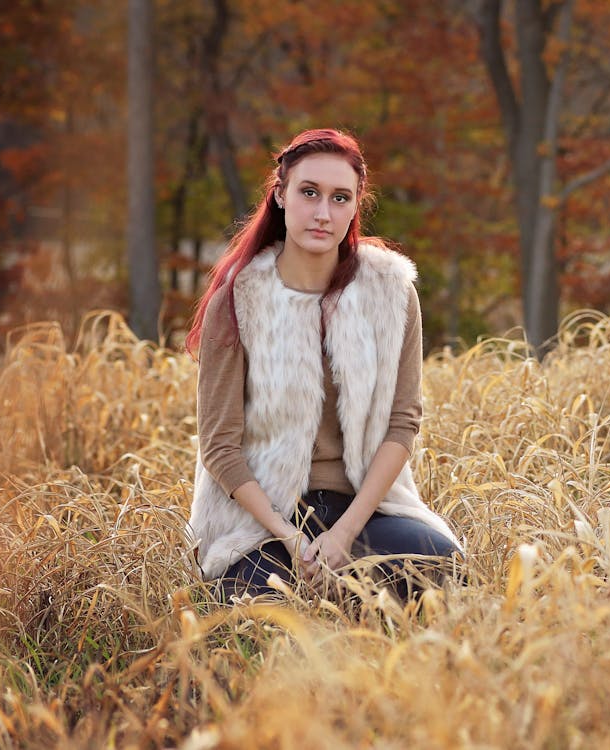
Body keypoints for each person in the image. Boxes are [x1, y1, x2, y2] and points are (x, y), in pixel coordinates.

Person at [185, 128, 462, 601]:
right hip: (258, 519)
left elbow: (402, 424)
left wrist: (343, 536)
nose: (322, 212)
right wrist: (291, 538)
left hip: (360, 509)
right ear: (280, 196)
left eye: (340, 198)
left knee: (440, 568)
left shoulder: (391, 292)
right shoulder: (238, 299)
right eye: (308, 193)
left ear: (356, 206)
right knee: (259, 613)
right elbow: (219, 446)